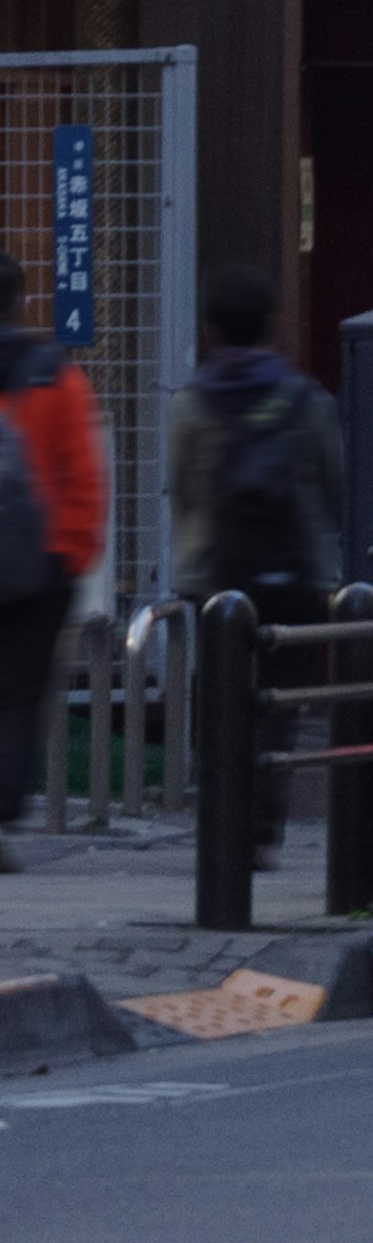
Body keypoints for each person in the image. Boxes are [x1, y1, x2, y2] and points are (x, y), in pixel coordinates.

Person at [168, 269, 345, 845]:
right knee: (278, 704)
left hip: (219, 572)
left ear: (211, 331)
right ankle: (263, 822)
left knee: (223, 697)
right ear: (272, 327)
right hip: (295, 571)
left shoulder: (193, 403)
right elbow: (332, 486)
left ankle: (223, 823)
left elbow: (183, 490)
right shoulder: (306, 398)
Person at [0, 255, 108, 863]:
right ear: (20, 299)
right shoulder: (54, 377)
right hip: (39, 566)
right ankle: (2, 815)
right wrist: (70, 554)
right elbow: (84, 476)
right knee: (17, 695)